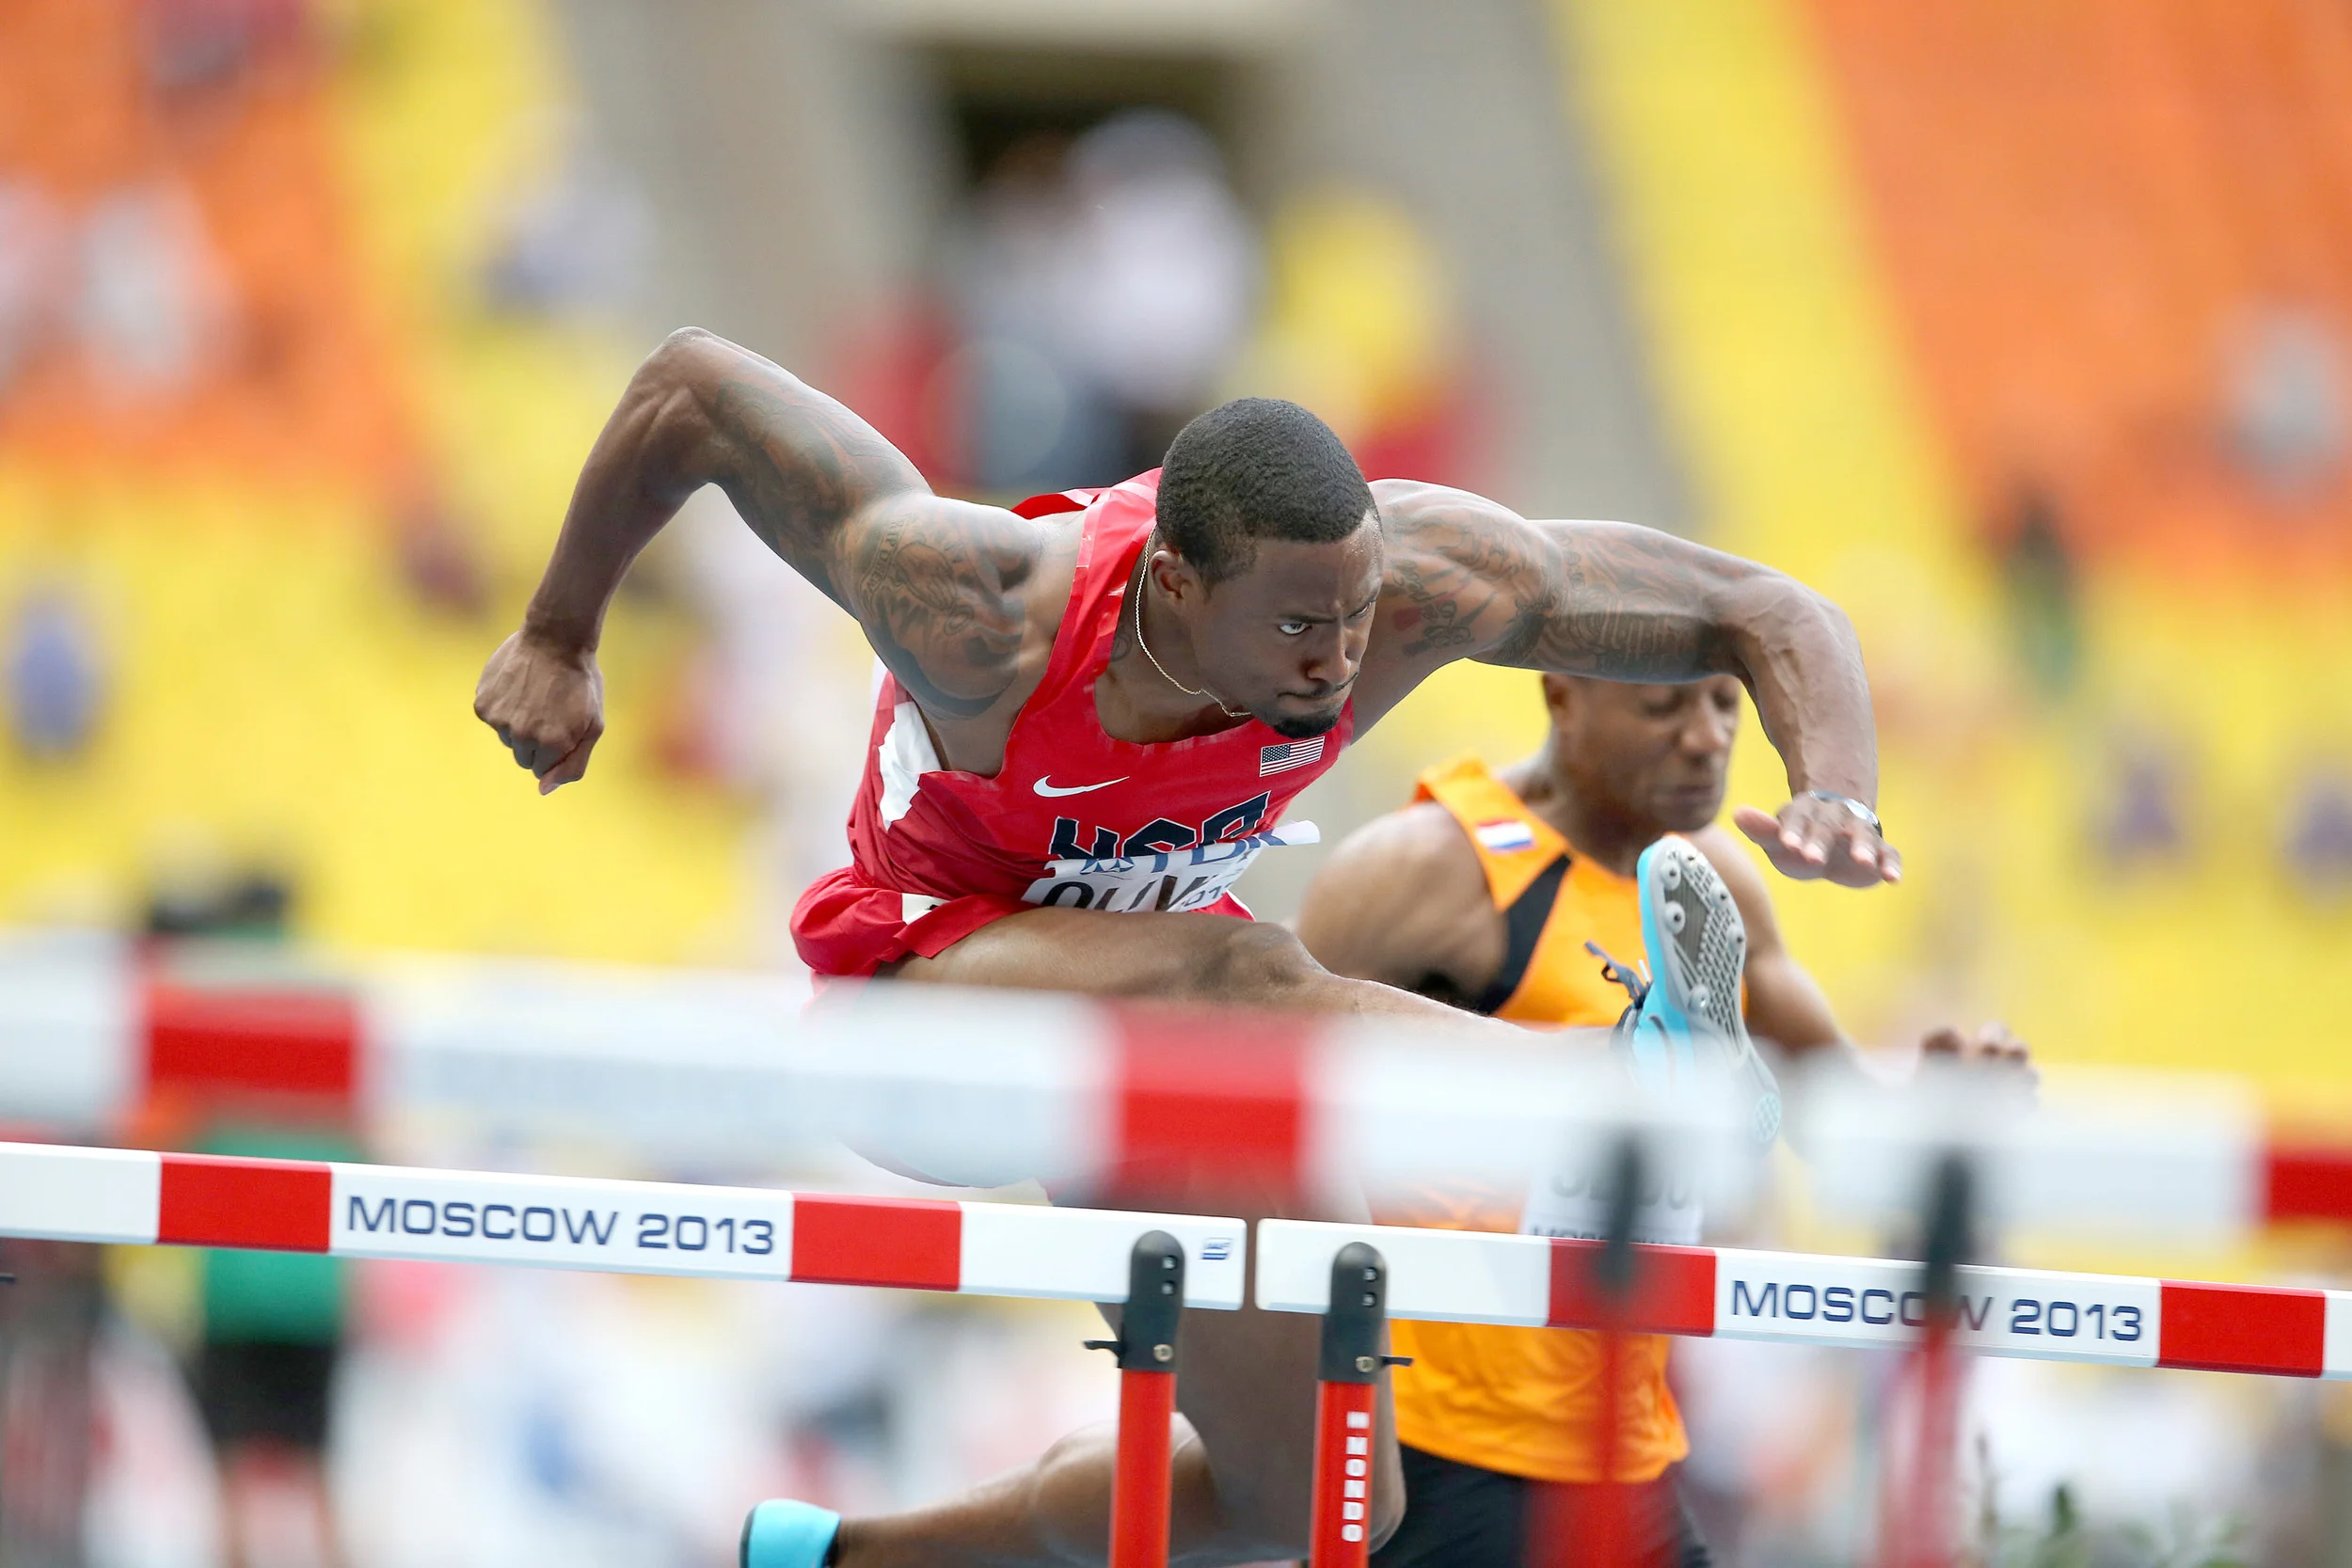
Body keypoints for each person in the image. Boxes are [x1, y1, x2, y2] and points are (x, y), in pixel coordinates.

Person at [472, 327, 1900, 1568]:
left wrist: (1834, 778)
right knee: (1249, 970)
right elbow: (693, 390)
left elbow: (1768, 608)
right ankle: (1602, 1100)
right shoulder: (982, 605)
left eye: (1351, 618)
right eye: (1293, 625)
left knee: (1329, 1490)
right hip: (916, 1026)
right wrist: (557, 632)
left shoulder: (1412, 585)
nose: (1335, 663)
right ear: (1169, 585)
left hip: (1153, 1052)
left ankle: (851, 1554)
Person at [1295, 673, 2028, 1568]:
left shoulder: (1714, 881)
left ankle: (1652, 1068)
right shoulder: (1425, 866)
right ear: (1562, 692)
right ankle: (1627, 1060)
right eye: (1664, 706)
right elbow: (1257, 1081)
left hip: (1622, 1436)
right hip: (1435, 1444)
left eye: (1725, 704)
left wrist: (1940, 1115)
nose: (1704, 736)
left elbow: (1839, 1131)